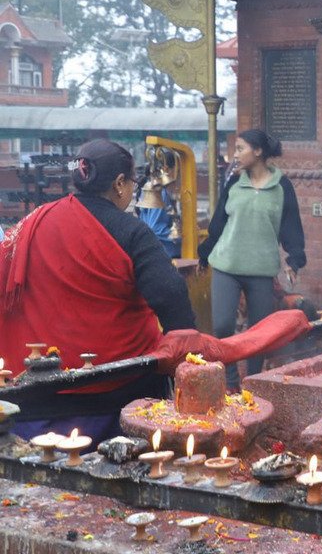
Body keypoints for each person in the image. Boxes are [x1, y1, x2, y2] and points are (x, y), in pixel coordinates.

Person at [0, 139, 196, 441]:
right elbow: (171, 295)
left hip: (33, 394)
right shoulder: (130, 231)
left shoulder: (33, 223)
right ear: (119, 183)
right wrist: (189, 361)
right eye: (132, 183)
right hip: (115, 395)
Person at [199, 130, 305, 389]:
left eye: (240, 148)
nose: (235, 154)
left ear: (258, 152)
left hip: (261, 269)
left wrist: (294, 260)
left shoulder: (282, 187)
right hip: (227, 265)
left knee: (259, 334)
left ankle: (252, 382)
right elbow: (218, 223)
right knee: (223, 325)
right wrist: (204, 254)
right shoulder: (234, 183)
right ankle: (231, 380)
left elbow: (291, 227)